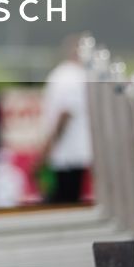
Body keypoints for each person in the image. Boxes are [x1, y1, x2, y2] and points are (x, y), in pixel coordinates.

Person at [39, 37, 92, 204]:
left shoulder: (67, 75)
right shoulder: (72, 76)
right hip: (68, 154)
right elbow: (65, 113)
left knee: (63, 202)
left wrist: (48, 147)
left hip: (66, 154)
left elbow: (65, 114)